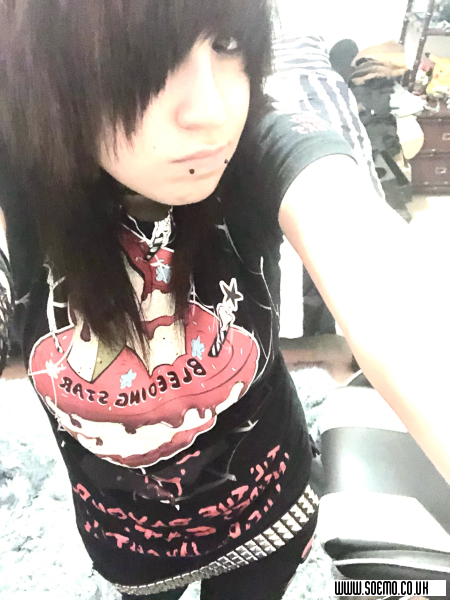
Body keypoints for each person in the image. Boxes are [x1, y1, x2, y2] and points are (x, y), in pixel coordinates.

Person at [0, 2, 449, 600]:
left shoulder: (258, 145)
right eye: (149, 57)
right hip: (127, 544)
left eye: (229, 45)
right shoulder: (20, 173)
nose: (213, 112)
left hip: (269, 515)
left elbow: (389, 286)